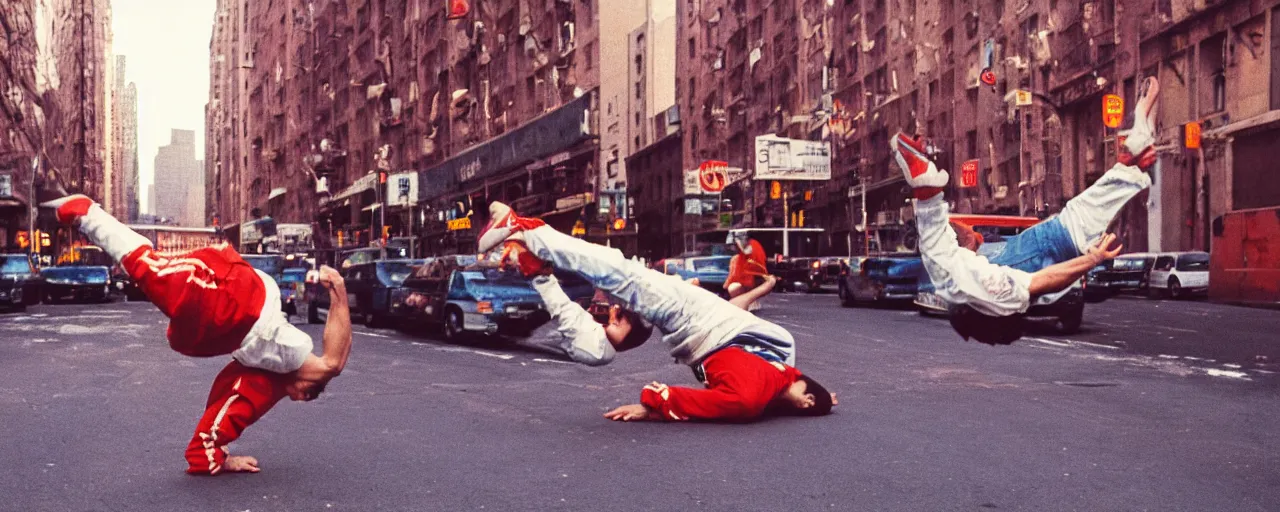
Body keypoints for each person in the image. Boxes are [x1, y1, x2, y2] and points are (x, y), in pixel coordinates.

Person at [40, 193, 353, 475]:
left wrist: (218, 448)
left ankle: (88, 214)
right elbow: (334, 363)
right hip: (240, 308)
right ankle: (87, 214)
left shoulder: (262, 375)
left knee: (156, 267)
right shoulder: (296, 370)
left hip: (243, 289)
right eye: (301, 396)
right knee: (151, 269)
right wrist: (337, 288)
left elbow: (225, 400)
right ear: (305, 390)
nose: (294, 399)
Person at [478, 203, 835, 422]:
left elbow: (742, 375)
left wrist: (817, 399)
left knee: (596, 350)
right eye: (809, 399)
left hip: (678, 331)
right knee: (622, 276)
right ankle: (528, 230)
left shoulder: (766, 394)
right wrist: (655, 406)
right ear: (805, 399)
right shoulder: (780, 358)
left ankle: (536, 272)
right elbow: (736, 321)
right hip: (691, 313)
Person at [893, 77, 1160, 345]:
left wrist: (1093, 260)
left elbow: (1045, 280)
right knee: (1084, 210)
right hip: (1041, 240)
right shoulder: (950, 269)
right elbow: (945, 231)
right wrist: (926, 190)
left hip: (1054, 245)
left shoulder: (994, 291)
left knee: (1080, 222)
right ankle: (1132, 157)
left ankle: (1133, 156)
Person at [724, 232, 770, 310]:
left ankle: (750, 302)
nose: (732, 248)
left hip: (751, 282)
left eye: (733, 245)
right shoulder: (735, 259)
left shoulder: (752, 249)